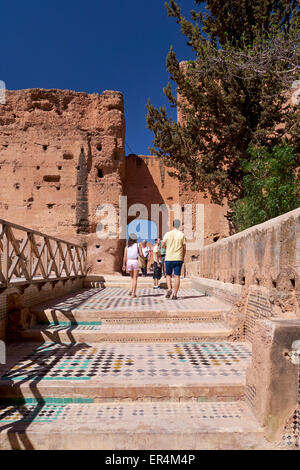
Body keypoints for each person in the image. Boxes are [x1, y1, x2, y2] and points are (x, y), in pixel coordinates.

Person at [161, 219, 186, 300]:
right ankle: (175, 295)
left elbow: (162, 245)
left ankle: (169, 289)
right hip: (178, 258)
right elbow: (184, 248)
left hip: (169, 257)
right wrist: (183, 257)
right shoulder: (182, 235)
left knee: (168, 275)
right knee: (177, 276)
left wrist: (167, 248)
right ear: (179, 226)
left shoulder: (167, 234)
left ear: (172, 225)